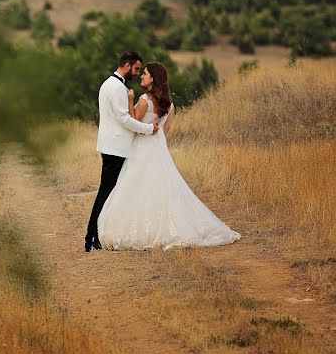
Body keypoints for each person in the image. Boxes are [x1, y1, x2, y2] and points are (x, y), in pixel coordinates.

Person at [96, 62, 240, 250]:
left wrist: (130, 100)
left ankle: (143, 229)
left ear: (153, 78)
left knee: (138, 185)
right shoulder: (169, 105)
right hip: (158, 149)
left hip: (141, 148)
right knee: (163, 186)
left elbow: (133, 123)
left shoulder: (144, 100)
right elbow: (166, 130)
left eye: (145, 74)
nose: (142, 76)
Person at [84, 51, 158, 252]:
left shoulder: (109, 84)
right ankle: (92, 238)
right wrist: (148, 129)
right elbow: (123, 119)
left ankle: (94, 237)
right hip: (115, 148)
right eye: (135, 69)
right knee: (106, 194)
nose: (136, 73)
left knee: (108, 193)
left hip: (111, 145)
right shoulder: (116, 87)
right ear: (126, 65)